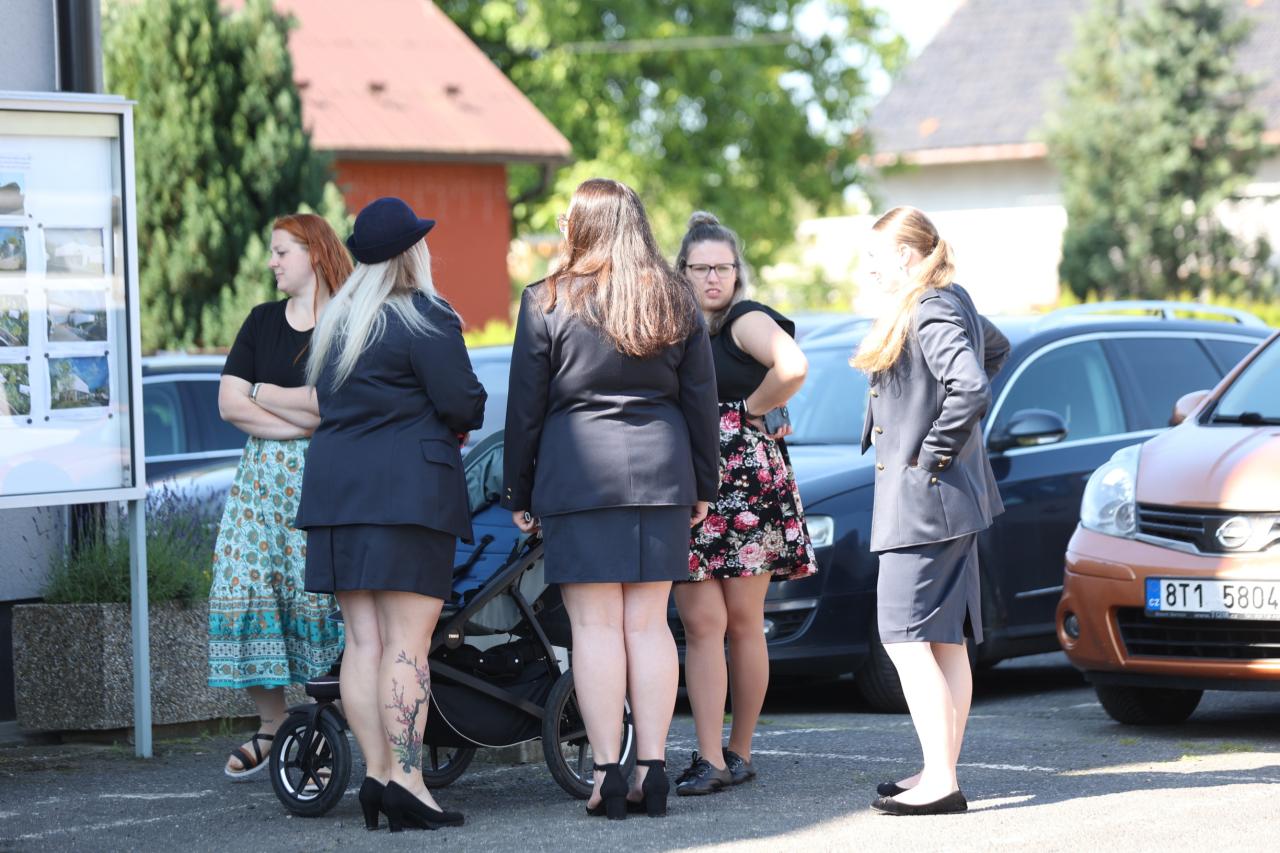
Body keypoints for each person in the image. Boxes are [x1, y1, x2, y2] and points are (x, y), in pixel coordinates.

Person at [502, 179, 720, 820]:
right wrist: (703, 485)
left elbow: (525, 407)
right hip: (662, 476)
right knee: (649, 625)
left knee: (594, 629)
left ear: (581, 227)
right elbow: (701, 402)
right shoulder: (675, 297)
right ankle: (652, 768)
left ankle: (606, 773)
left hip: (578, 478)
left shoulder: (547, 299)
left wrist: (518, 489)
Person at [296, 197, 487, 831]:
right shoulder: (425, 314)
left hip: (336, 493)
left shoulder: (336, 321)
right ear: (413, 252)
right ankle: (408, 781)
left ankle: (377, 777)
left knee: (362, 642)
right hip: (409, 496)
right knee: (408, 643)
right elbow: (462, 401)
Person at [854, 206, 1009, 816]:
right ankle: (939, 769)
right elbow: (995, 349)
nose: (868, 269)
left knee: (902, 636)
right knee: (944, 642)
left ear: (904, 254)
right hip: (942, 501)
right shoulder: (949, 298)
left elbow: (971, 384)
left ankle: (942, 781)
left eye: (874, 257)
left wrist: (935, 451)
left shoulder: (931, 306)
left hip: (924, 502)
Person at [671, 212, 818, 796]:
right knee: (702, 624)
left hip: (745, 483)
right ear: (682, 271)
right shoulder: (677, 327)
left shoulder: (745, 318)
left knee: (741, 623)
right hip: (691, 481)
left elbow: (794, 365)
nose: (713, 278)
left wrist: (749, 410)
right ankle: (711, 756)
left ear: (738, 272)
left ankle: (739, 750)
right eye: (701, 268)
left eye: (723, 267)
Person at [208, 213, 350, 780]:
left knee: (322, 598)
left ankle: (325, 724)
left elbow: (333, 404)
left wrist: (263, 392)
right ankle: (272, 723)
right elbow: (230, 404)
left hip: (326, 485)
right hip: (258, 492)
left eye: (280, 251)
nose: (271, 262)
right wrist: (301, 420)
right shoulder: (261, 321)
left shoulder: (345, 322)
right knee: (243, 587)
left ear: (313, 253)